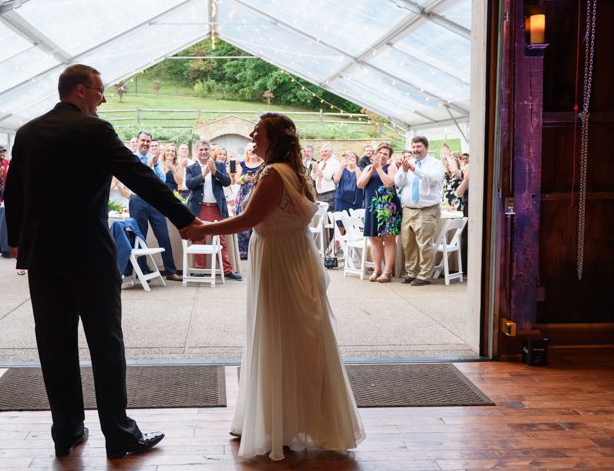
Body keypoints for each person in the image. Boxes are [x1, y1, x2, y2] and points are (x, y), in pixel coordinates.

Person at [4, 64, 200, 460]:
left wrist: (21, 245)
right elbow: (140, 176)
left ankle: (66, 430)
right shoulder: (95, 131)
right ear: (80, 90)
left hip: (43, 256)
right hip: (89, 254)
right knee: (106, 344)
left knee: (54, 343)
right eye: (99, 91)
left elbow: (14, 191)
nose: (103, 98)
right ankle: (119, 434)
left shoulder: (28, 133)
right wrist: (185, 220)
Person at [184, 113, 365, 460]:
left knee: (277, 334)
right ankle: (287, 418)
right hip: (290, 254)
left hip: (279, 260)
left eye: (258, 130)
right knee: (291, 337)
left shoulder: (272, 173)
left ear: (275, 138)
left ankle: (278, 421)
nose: (252, 134)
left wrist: (200, 230)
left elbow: (249, 219)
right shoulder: (293, 170)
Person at [127, 131, 182, 281]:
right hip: (137, 200)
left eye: (148, 141)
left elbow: (162, 179)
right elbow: (137, 176)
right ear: (137, 141)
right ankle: (143, 270)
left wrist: (156, 164)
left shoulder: (154, 159)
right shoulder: (131, 158)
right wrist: (149, 165)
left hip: (154, 202)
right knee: (140, 236)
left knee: (163, 235)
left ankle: (170, 271)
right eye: (143, 140)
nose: (145, 143)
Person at [185, 141, 241, 280]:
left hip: (216, 207)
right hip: (199, 208)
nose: (204, 152)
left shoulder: (220, 165)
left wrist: (215, 171)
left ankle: (227, 270)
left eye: (206, 149)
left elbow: (227, 182)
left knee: (221, 239)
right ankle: (199, 269)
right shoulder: (191, 168)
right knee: (199, 238)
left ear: (210, 151)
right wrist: (203, 174)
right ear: (196, 152)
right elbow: (190, 184)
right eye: (201, 150)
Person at [394, 136, 445, 286]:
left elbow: (433, 179)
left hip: (427, 209)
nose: (415, 150)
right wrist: (403, 171)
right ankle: (411, 272)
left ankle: (424, 275)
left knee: (424, 244)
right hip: (408, 210)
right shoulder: (407, 164)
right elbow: (398, 183)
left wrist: (415, 170)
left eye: (419, 147)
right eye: (414, 147)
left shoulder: (435, 164)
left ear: (426, 148)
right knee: (408, 244)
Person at [357, 143, 401, 282]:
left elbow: (389, 183)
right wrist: (371, 171)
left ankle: (387, 272)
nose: (382, 156)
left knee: (389, 239)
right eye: (380, 153)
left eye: (385, 154)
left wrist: (379, 169)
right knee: (374, 239)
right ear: (376, 153)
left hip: (388, 208)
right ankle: (377, 270)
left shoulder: (391, 167)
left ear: (389, 157)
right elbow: (360, 184)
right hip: (372, 207)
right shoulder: (368, 168)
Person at [234, 142, 264, 260]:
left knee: (257, 222)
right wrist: (244, 178)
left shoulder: (263, 164)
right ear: (246, 152)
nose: (251, 152)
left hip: (258, 194)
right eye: (249, 150)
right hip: (243, 195)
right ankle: (243, 251)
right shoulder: (241, 164)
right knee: (242, 221)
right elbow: (236, 180)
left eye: (253, 150)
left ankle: (256, 250)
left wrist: (255, 179)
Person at [311, 145, 342, 213]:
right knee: (322, 216)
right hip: (320, 194)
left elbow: (328, 176)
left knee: (328, 216)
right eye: (321, 152)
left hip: (330, 194)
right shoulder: (321, 163)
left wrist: (318, 169)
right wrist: (314, 169)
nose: (323, 153)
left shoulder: (334, 163)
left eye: (325, 151)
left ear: (330, 152)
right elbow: (314, 177)